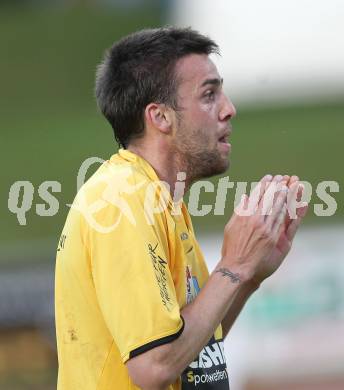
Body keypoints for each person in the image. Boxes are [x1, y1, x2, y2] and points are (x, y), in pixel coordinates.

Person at [55, 27, 308, 390]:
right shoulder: (121, 201)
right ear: (160, 117)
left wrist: (248, 276)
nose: (229, 109)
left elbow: (190, 349)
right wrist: (233, 265)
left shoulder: (158, 200)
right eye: (209, 94)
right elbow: (154, 367)